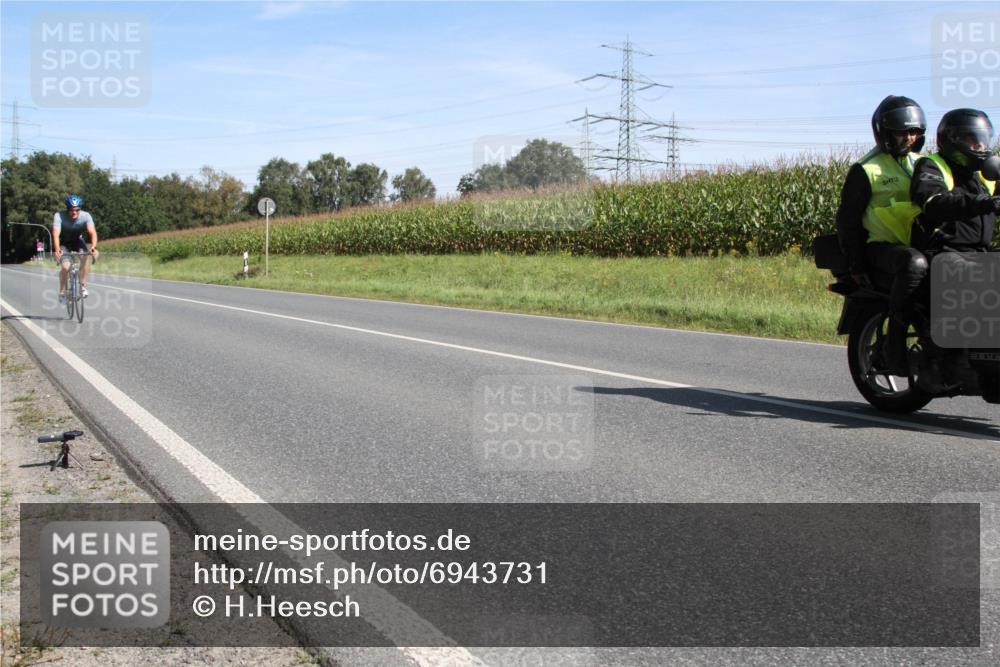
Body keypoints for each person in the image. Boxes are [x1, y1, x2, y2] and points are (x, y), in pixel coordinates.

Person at [835, 95, 929, 374]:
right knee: (914, 264)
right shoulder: (867, 170)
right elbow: (847, 221)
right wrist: (856, 264)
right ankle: (896, 344)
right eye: (902, 132)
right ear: (885, 132)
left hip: (917, 244)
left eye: (914, 132)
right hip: (882, 248)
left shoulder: (925, 164)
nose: (909, 138)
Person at [910, 108, 998, 257]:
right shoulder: (930, 165)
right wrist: (985, 203)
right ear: (952, 139)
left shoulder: (979, 173)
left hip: (980, 252)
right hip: (944, 252)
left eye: (983, 139)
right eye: (973, 140)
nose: (981, 146)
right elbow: (934, 204)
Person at [53, 194, 99, 300]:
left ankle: (83, 286)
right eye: (71, 210)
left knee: (85, 257)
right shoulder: (59, 216)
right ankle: (62, 291)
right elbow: (56, 234)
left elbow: (93, 233)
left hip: (78, 241)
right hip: (64, 244)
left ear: (80, 209)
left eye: (77, 210)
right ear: (67, 208)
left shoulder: (86, 216)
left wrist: (93, 247)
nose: (74, 212)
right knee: (65, 267)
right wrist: (57, 250)